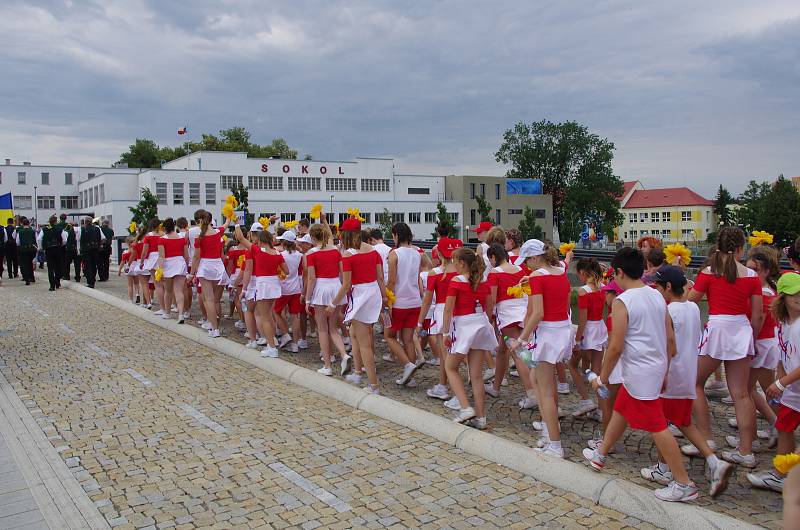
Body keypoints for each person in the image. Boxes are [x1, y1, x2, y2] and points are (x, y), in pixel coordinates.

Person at [583, 247, 698, 503]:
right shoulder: (657, 296)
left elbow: (615, 345)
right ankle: (601, 454)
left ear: (620, 273)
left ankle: (683, 482)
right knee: (622, 408)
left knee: (658, 426)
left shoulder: (624, 301)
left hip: (640, 369)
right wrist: (666, 369)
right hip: (655, 367)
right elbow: (669, 337)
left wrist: (602, 376)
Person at [643, 265, 733, 497]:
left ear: (668, 287)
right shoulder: (693, 307)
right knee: (683, 422)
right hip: (687, 374)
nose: (657, 290)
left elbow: (665, 347)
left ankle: (676, 476)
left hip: (670, 377)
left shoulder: (668, 311)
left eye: (658, 286)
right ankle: (713, 463)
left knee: (659, 425)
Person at [686, 227, 761, 467]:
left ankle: (707, 438)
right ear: (741, 248)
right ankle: (746, 450)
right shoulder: (751, 275)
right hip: (741, 330)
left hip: (717, 328)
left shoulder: (709, 273)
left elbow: (690, 303)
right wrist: (752, 338)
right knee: (741, 394)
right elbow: (758, 315)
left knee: (695, 382)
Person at [514, 239, 573, 458]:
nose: (527, 265)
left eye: (528, 261)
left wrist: (521, 339)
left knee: (546, 390)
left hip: (546, 334)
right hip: (561, 330)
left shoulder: (538, 277)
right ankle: (549, 433)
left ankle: (555, 444)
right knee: (542, 383)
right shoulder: (560, 271)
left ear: (535, 257)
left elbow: (537, 313)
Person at [748, 272, 800, 492]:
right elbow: (784, 355)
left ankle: (783, 473)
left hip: (794, 386)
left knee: (785, 428)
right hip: (794, 389)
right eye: (793, 294)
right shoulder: (785, 323)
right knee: (784, 428)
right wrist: (781, 378)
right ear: (782, 297)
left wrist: (781, 383)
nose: (798, 297)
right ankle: (781, 474)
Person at [442, 247, 497, 429]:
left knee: (450, 367)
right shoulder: (482, 281)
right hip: (481, 324)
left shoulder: (456, 281)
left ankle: (465, 407)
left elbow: (448, 310)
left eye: (454, 261)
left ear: (462, 263)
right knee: (476, 376)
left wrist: (445, 332)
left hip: (464, 325)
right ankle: (481, 417)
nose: (453, 264)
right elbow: (490, 307)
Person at [330, 216, 386, 389]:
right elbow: (380, 278)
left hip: (360, 296)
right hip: (373, 294)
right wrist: (385, 300)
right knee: (355, 334)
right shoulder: (373, 251)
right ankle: (358, 372)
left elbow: (346, 284)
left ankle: (373, 384)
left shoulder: (348, 255)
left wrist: (332, 304)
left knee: (364, 344)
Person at [742, 246, 782, 449]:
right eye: (748, 269)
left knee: (746, 391)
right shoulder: (768, 290)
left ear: (766, 271)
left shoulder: (764, 292)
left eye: (755, 269)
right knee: (767, 390)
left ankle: (750, 440)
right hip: (768, 344)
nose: (751, 273)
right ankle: (778, 424)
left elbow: (758, 319)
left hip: (761, 345)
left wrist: (750, 344)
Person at [418, 237, 462, 402]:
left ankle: (449, 390)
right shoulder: (463, 272)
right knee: (460, 353)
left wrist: (419, 322)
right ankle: (444, 385)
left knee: (446, 355)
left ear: (440, 254)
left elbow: (427, 300)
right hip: (462, 312)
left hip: (442, 312)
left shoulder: (435, 273)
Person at [485, 243, 529, 400]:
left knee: (518, 354)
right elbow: (526, 292)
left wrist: (489, 317)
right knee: (502, 351)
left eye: (490, 259)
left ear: (494, 257)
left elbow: (493, 298)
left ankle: (532, 394)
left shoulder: (494, 273)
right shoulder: (520, 269)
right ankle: (495, 387)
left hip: (506, 317)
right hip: (522, 312)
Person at [386, 222, 425, 386]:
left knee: (389, 336)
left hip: (399, 302)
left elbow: (392, 281)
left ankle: (408, 365)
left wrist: (386, 299)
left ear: (396, 235)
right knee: (408, 339)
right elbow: (417, 278)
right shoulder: (417, 253)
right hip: (414, 301)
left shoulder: (394, 254)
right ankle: (412, 378)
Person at [305, 224, 348, 370]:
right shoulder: (336, 251)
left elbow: (311, 278)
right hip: (336, 286)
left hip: (321, 289)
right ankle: (344, 354)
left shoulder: (311, 253)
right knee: (333, 329)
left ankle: (327, 365)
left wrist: (307, 299)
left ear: (312, 237)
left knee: (322, 329)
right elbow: (342, 273)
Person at [569, 258, 608, 417]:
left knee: (572, 365)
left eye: (579, 274)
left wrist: (577, 340)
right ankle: (601, 409)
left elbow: (583, 319)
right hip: (600, 327)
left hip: (588, 331)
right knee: (597, 370)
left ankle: (585, 400)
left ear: (583, 273)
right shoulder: (603, 288)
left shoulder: (583, 291)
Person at [239, 229, 287, 357]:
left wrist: (235, 222)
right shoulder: (277, 252)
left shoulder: (258, 250)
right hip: (274, 284)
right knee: (269, 316)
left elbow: (240, 238)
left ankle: (271, 347)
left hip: (263, 284)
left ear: (260, 240)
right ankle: (272, 343)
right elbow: (286, 270)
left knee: (264, 317)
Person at [187, 211, 231, 338]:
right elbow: (227, 223)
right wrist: (230, 214)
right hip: (218, 266)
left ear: (200, 221)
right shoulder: (218, 233)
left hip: (205, 267)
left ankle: (214, 328)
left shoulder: (199, 238)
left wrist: (191, 274)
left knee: (209, 300)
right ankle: (216, 324)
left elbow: (196, 257)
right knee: (216, 300)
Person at [274, 230, 304, 354]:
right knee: (295, 316)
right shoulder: (300, 255)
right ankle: (295, 344)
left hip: (283, 288)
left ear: (284, 243)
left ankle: (285, 334)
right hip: (296, 288)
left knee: (275, 312)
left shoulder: (281, 255)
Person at [157, 218, 189, 323]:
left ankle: (167, 313)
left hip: (168, 264)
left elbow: (161, 256)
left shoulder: (162, 239)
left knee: (168, 290)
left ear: (165, 228)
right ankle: (180, 314)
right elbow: (186, 255)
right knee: (179, 291)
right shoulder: (182, 238)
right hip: (180, 263)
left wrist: (160, 270)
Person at [38, 215, 66, 291]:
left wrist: (41, 247)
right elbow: (64, 240)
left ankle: (52, 286)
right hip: (57, 249)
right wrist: (61, 245)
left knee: (50, 268)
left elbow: (39, 239)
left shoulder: (44, 229)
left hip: (49, 250)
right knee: (58, 267)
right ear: (56, 221)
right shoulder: (60, 229)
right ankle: (57, 283)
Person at [79, 215, 104, 288]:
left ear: (85, 222)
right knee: (93, 265)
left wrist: (80, 249)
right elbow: (100, 239)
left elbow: (81, 240)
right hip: (95, 249)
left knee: (87, 266)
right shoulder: (97, 229)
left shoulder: (83, 229)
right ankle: (93, 279)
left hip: (86, 250)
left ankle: (90, 282)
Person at [14, 217, 36, 285]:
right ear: (29, 224)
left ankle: (27, 279)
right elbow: (35, 239)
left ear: (22, 224)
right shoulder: (32, 231)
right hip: (31, 249)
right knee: (30, 263)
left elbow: (17, 242)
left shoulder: (20, 232)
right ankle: (32, 277)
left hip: (23, 249)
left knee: (25, 264)